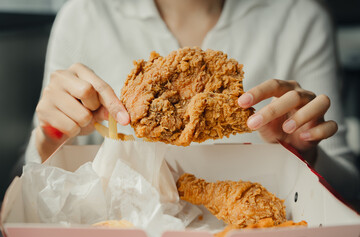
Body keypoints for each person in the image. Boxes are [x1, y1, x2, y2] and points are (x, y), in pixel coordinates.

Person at [25, 0, 359, 200]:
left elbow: (350, 187)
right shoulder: (84, 15)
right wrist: (53, 132)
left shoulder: (300, 20)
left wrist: (305, 153)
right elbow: (34, 179)